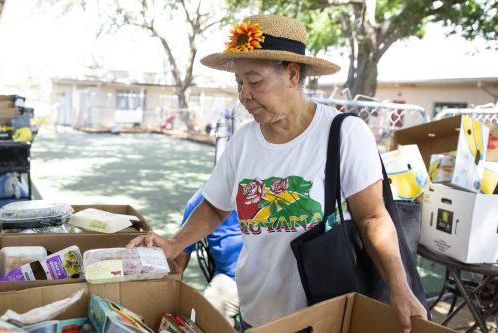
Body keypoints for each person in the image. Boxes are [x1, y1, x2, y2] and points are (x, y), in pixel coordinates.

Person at [128, 14, 427, 332]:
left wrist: (399, 286)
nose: (244, 95)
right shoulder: (243, 140)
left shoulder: (343, 133)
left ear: (293, 74)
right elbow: (215, 205)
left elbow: (372, 219)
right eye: (239, 83)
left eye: (254, 82)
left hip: (322, 315)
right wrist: (174, 245)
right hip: (256, 312)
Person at [174, 188, 242, 327]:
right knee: (210, 311)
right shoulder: (203, 199)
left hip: (274, 276)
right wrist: (173, 291)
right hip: (230, 278)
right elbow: (183, 250)